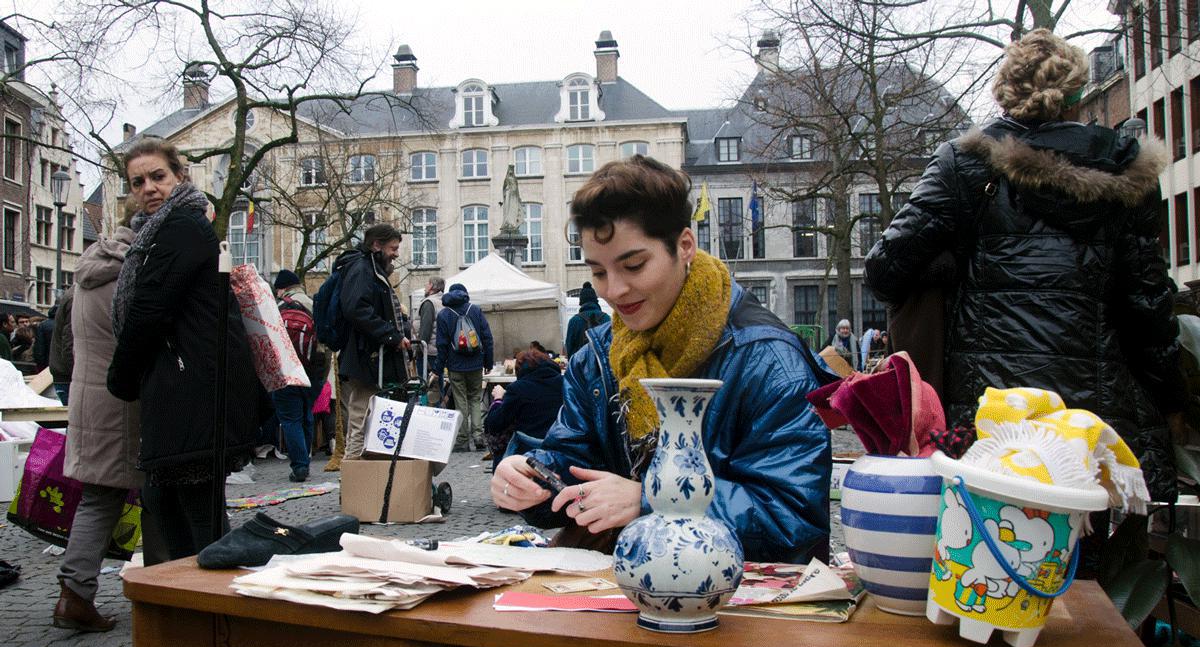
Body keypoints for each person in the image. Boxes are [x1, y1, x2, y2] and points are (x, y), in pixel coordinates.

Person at [864, 28, 1184, 507]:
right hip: (1091, 425)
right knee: (1083, 563)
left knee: (987, 557)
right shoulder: (1128, 175)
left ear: (1006, 94)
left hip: (988, 423)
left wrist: (948, 263)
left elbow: (885, 272)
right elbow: (1149, 310)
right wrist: (1170, 400)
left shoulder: (964, 165)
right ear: (1076, 97)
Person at [490, 155, 832, 562]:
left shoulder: (769, 360)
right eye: (598, 272)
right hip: (623, 587)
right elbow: (573, 462)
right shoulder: (597, 355)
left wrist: (655, 500)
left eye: (634, 265)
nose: (614, 291)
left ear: (684, 246)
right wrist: (534, 477)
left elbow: (793, 514)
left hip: (740, 604)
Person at [107, 137, 260, 562]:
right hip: (183, 387)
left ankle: (214, 617)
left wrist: (120, 378)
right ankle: (198, 612)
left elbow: (150, 307)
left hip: (192, 390)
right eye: (137, 182)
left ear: (179, 176)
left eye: (158, 176)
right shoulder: (157, 233)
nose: (148, 188)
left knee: (194, 518)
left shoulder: (180, 227)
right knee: (175, 509)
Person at [54, 198, 151, 631]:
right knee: (107, 499)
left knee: (98, 496)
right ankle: (76, 594)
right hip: (119, 399)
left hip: (87, 394)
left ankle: (75, 592)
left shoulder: (91, 271)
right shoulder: (129, 273)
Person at [332, 224, 409, 460]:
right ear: (377, 245)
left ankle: (359, 476)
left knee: (366, 417)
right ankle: (352, 477)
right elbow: (357, 309)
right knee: (361, 419)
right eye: (393, 248)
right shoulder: (362, 268)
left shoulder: (370, 268)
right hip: (366, 358)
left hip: (370, 357)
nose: (396, 253)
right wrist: (392, 336)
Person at [271, 269, 321, 481]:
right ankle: (305, 461)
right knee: (306, 416)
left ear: (281, 289)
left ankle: (300, 466)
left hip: (285, 370)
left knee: (290, 419)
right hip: (310, 371)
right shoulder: (312, 305)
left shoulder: (276, 308)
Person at [483, 348, 565, 470]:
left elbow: (494, 424)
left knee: (501, 448)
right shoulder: (565, 383)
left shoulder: (517, 389)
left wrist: (498, 399)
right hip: (562, 445)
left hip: (528, 448)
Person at [437, 283, 494, 452]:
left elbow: (441, 345)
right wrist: (488, 363)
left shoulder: (444, 315)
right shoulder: (475, 310)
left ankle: (462, 439)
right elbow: (487, 338)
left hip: (455, 366)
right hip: (476, 364)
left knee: (460, 401)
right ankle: (478, 436)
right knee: (475, 399)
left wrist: (438, 367)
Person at [563, 281, 609, 359]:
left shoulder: (574, 321)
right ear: (595, 300)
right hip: (604, 365)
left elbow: (569, 347)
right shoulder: (606, 318)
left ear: (581, 302)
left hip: (581, 365)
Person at [417, 276, 445, 393]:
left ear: (432, 287)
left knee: (428, 390)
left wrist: (419, 349)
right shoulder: (443, 301)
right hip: (438, 351)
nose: (425, 287)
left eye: (427, 284)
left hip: (428, 352)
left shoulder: (429, 303)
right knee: (437, 388)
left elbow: (425, 329)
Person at [49, 287, 74, 404]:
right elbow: (69, 344)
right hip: (67, 376)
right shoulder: (75, 298)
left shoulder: (73, 295)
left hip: (64, 374)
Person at [33, 305, 55, 370]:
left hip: (46, 363)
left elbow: (39, 347)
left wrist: (40, 365)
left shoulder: (43, 325)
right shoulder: (64, 324)